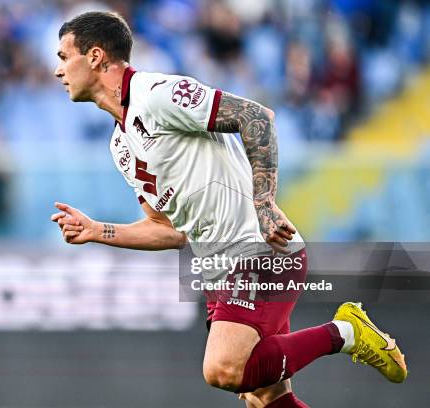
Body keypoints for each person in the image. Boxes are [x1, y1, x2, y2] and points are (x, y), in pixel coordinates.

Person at [50, 11, 407, 407]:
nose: (57, 70)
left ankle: (347, 332)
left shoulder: (156, 94)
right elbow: (171, 230)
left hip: (259, 251)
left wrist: (265, 201)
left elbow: (256, 117)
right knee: (264, 398)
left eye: (64, 57)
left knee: (224, 369)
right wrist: (98, 230)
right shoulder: (119, 146)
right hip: (218, 272)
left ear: (96, 56)